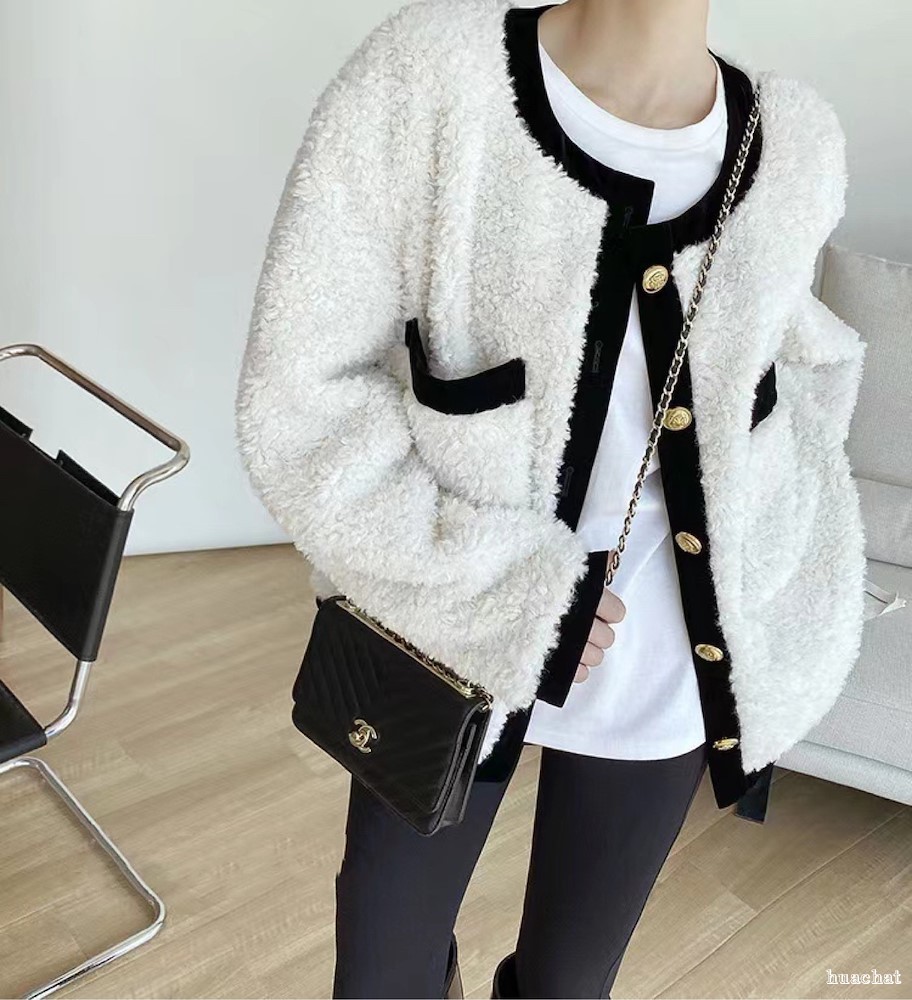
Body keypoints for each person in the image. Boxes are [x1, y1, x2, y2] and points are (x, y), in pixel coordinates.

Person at [235, 0, 866, 997]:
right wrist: (503, 590)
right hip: (447, 644)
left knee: (570, 984)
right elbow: (300, 402)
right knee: (383, 975)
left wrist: (776, 588)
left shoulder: (795, 144)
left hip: (666, 675)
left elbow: (800, 375)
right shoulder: (430, 80)